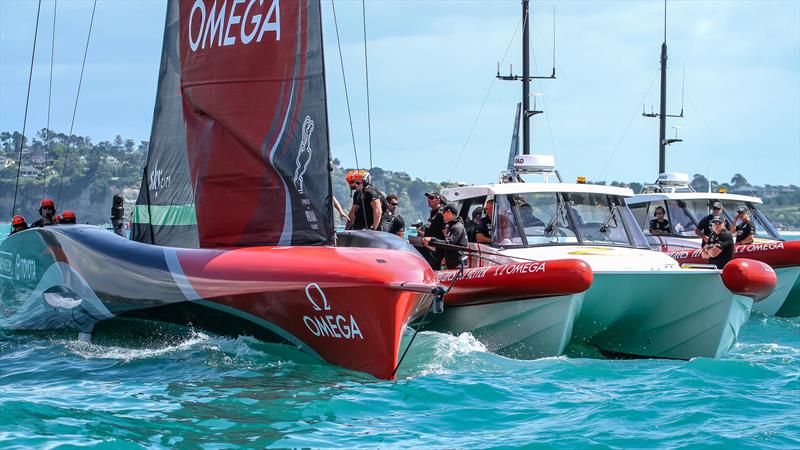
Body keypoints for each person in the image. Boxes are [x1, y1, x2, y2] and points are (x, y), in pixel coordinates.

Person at [423, 204, 467, 270]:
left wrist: (432, 240)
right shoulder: (451, 226)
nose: (442, 214)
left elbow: (449, 242)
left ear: (449, 212)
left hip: (458, 264)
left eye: (444, 212)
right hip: (451, 261)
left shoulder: (458, 226)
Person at [416, 192, 446, 269]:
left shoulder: (441, 213)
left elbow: (446, 235)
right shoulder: (433, 213)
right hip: (428, 248)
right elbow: (432, 231)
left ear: (438, 200)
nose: (429, 199)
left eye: (432, 198)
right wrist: (420, 234)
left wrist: (446, 255)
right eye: (428, 198)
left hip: (436, 252)